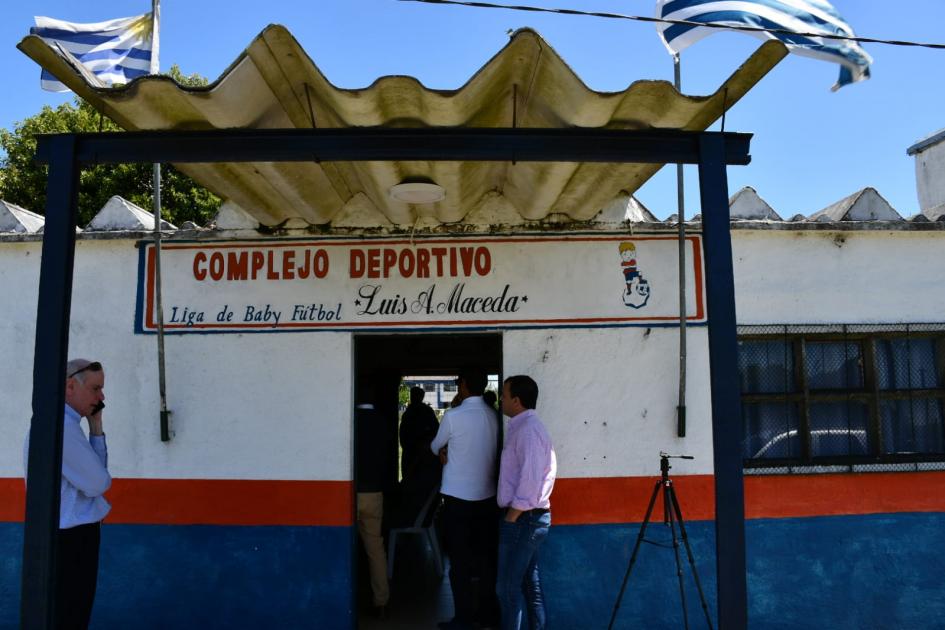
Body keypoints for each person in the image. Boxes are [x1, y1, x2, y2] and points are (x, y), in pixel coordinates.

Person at [24, 358, 111, 630]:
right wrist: (95, 432)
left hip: (71, 535)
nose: (102, 396)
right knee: (69, 616)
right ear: (70, 387)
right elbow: (99, 484)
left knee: (71, 614)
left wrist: (96, 428)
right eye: (96, 388)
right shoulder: (62, 428)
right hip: (70, 538)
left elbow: (96, 476)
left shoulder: (66, 425)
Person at [430, 366, 500, 630]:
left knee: (459, 562)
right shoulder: (494, 415)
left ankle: (463, 619)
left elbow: (435, 445)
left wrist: (444, 450)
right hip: (488, 498)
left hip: (458, 500)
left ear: (464, 385)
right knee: (485, 561)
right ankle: (487, 616)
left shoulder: (454, 416)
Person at [495, 375, 557, 630]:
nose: (501, 399)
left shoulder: (529, 431)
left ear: (516, 401)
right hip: (527, 517)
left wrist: (511, 518)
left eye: (505, 395)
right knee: (531, 587)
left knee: (507, 589)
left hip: (524, 518)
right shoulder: (523, 427)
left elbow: (530, 482)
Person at [355, 386, 394, 618]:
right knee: (375, 549)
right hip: (374, 493)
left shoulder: (349, 420)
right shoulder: (382, 422)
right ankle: (381, 602)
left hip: (347, 492)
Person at [399, 386, 440, 480]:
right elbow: (436, 430)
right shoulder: (427, 411)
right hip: (423, 452)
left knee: (409, 479)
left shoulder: (408, 413)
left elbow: (402, 434)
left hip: (411, 452)